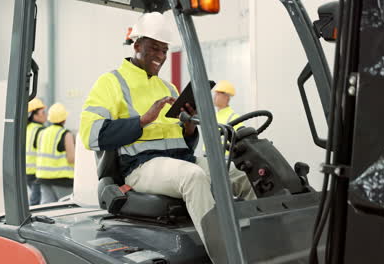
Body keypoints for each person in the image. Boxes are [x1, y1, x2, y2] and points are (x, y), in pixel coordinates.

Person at [79, 12, 254, 250]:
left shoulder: (167, 86)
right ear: (137, 44)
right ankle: (227, 255)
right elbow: (90, 134)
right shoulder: (110, 83)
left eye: (164, 50)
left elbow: (181, 142)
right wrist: (141, 120)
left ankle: (260, 244)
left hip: (179, 160)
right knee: (193, 177)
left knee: (240, 173)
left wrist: (189, 127)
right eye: (154, 48)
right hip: (140, 166)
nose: (160, 56)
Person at [36, 103, 75, 204]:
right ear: (64, 119)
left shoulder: (42, 132)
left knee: (47, 208)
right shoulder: (65, 134)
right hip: (62, 179)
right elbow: (71, 158)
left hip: (44, 177)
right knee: (67, 208)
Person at [26, 98, 47, 206]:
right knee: (36, 203)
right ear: (34, 115)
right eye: (43, 112)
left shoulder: (26, 129)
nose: (45, 115)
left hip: (27, 172)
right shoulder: (41, 131)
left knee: (36, 200)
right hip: (37, 173)